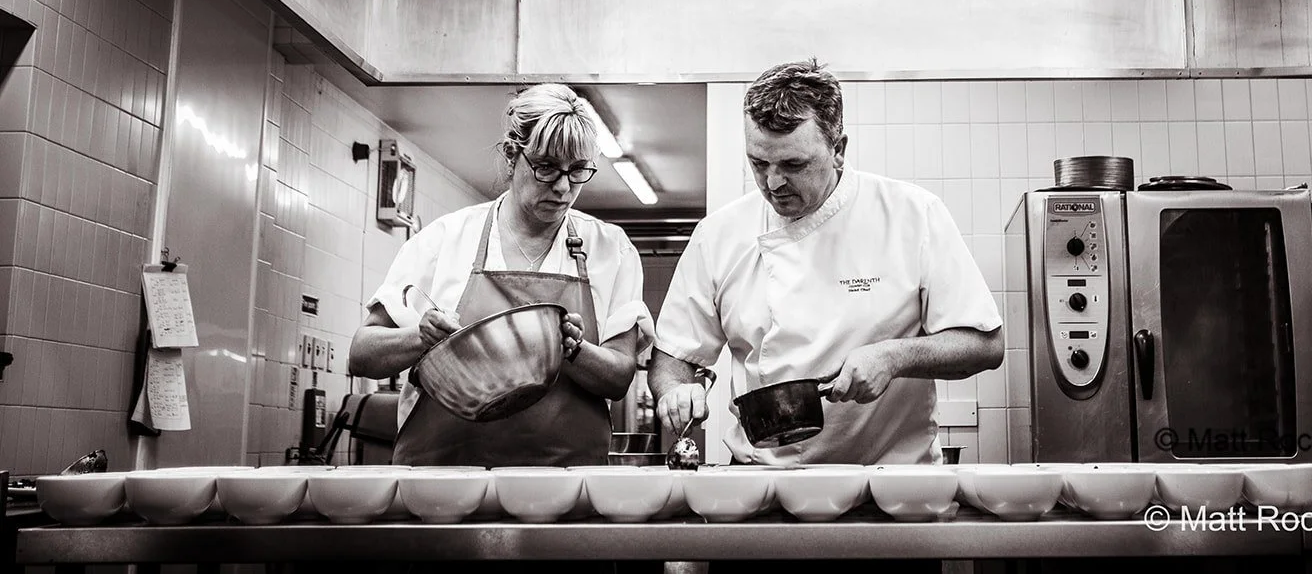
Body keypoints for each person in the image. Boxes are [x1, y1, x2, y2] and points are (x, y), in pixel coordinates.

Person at [649, 58, 1003, 468]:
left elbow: (985, 345)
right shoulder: (718, 236)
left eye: (793, 165)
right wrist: (677, 391)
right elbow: (674, 358)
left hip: (890, 484)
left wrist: (893, 357)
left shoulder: (912, 214)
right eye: (758, 164)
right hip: (761, 483)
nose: (773, 184)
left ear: (838, 150)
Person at [350, 83, 653, 467]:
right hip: (443, 485)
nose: (562, 187)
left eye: (577, 172)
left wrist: (573, 350)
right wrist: (420, 337)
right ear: (513, 154)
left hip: (564, 484)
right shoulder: (445, 240)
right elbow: (362, 353)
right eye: (546, 168)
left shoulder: (610, 249)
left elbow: (619, 377)